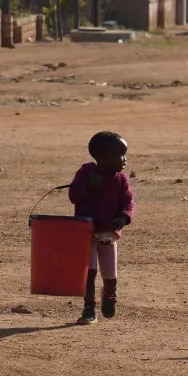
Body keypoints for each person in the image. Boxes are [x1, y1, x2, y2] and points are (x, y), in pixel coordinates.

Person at [68, 131, 135, 325]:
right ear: (104, 157)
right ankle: (89, 309)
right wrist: (89, 186)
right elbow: (74, 195)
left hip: (108, 233)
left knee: (110, 274)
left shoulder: (121, 179)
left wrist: (124, 217)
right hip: (86, 232)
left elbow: (128, 203)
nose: (125, 159)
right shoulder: (87, 172)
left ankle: (110, 293)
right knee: (89, 272)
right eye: (121, 154)